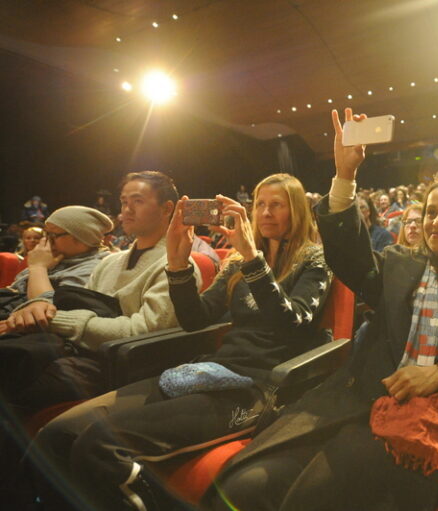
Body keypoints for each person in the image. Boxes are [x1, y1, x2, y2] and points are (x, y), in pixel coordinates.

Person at [203, 108, 438, 511]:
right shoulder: (401, 263)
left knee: (310, 499)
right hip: (358, 399)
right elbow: (349, 258)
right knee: (247, 484)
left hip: (427, 417)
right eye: (431, 212)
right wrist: (345, 177)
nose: (437, 221)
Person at [32, 174, 333, 511]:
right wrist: (177, 265)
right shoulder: (236, 263)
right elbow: (195, 318)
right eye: (260, 204)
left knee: (100, 444)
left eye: (276, 205)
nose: (264, 212)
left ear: (297, 211)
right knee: (59, 435)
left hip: (260, 386)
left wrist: (252, 260)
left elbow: (292, 324)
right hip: (213, 370)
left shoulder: (314, 261)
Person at [0, 171, 199, 412]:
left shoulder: (178, 267)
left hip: (114, 363)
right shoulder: (110, 263)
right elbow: (77, 305)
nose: (126, 209)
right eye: (124, 201)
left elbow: (143, 332)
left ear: (167, 209)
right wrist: (36, 311)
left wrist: (56, 320)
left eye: (137, 201)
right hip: (75, 348)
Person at [0, 206, 113, 321]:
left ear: (81, 237)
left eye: (54, 235)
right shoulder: (57, 258)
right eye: (46, 234)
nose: (46, 241)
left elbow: (47, 311)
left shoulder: (95, 267)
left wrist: (38, 267)